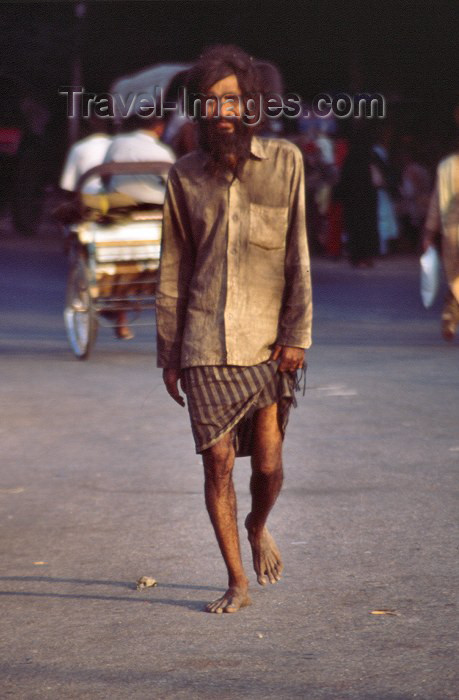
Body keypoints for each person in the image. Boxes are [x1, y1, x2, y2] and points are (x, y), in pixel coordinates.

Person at [156, 45, 312, 614]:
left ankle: (257, 523)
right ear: (199, 110)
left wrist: (297, 335)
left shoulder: (286, 163)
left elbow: (298, 256)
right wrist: (169, 354)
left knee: (268, 466)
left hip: (268, 342)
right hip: (201, 341)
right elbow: (173, 268)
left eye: (233, 99)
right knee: (217, 462)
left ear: (252, 104)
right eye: (211, 101)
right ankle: (236, 582)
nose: (223, 110)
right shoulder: (184, 177)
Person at [423, 142, 459, 342]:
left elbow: (436, 201)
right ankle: (451, 311)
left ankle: (450, 312)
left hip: (450, 233)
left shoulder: (446, 165)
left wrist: (429, 232)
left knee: (455, 278)